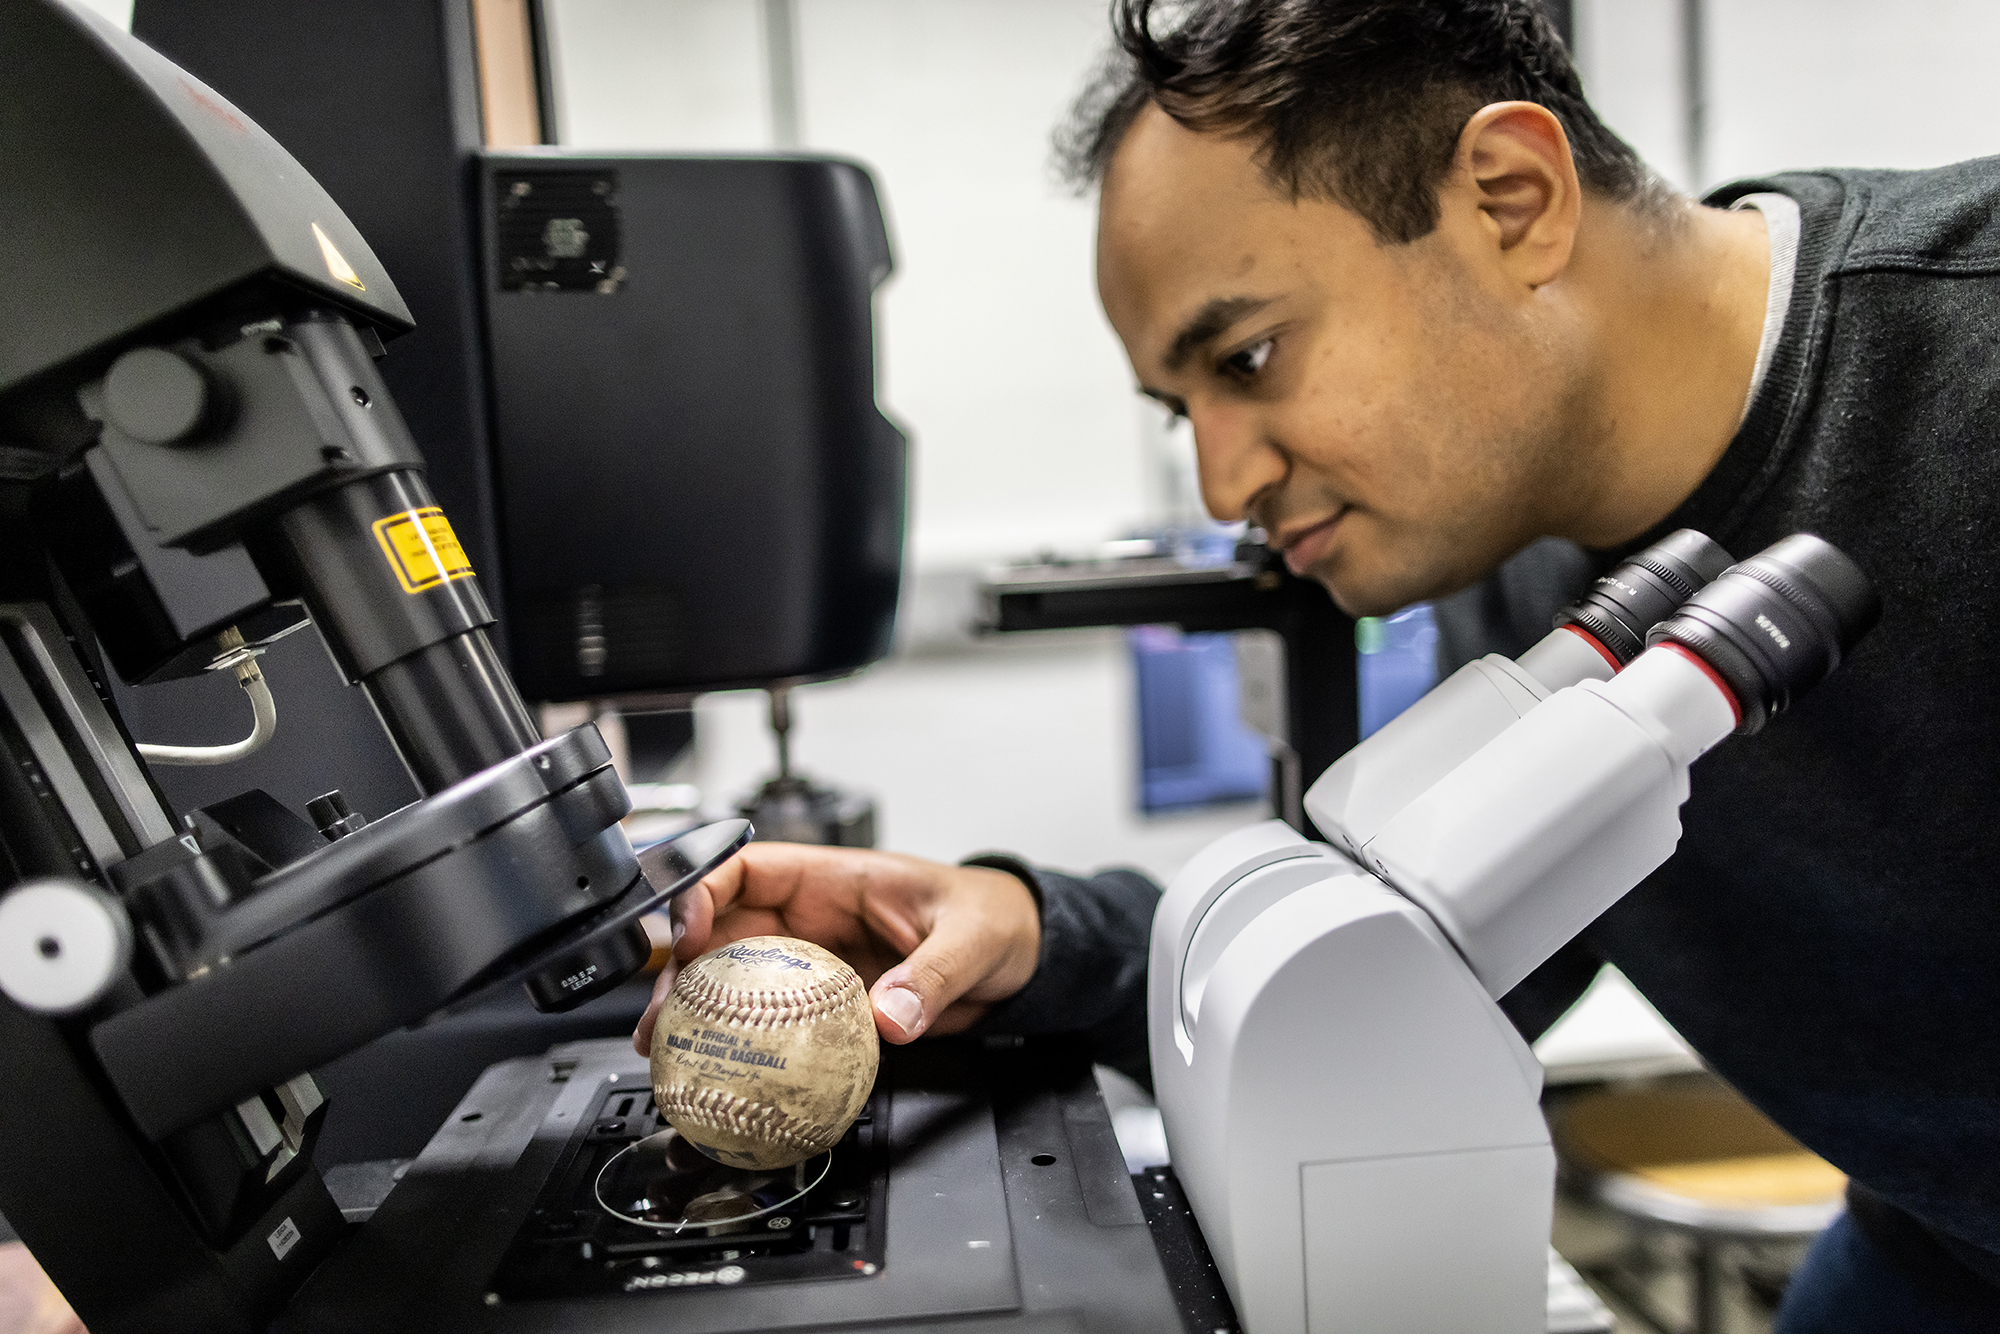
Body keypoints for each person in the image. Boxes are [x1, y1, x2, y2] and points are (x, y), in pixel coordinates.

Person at [634, 1, 2000, 1327]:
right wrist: (1020, 929)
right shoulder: (1523, 567)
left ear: (1511, 200)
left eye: (1251, 355)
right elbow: (1419, 957)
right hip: (1934, 1245)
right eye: (1185, 409)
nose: (1226, 481)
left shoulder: (1967, 356)